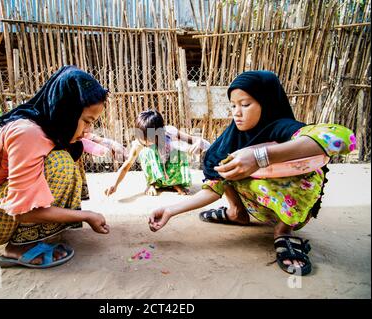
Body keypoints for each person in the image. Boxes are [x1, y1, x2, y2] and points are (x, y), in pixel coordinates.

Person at [148, 71, 356, 276]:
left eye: (245, 105)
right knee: (225, 165)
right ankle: (236, 213)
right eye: (233, 105)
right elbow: (213, 186)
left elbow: (344, 138)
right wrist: (170, 210)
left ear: (266, 102)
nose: (237, 112)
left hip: (291, 211)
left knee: (311, 172)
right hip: (253, 204)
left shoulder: (282, 127)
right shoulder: (229, 140)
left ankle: (283, 231)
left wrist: (260, 157)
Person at [0, 66, 110, 269]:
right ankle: (18, 248)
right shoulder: (28, 134)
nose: (87, 130)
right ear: (66, 111)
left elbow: (85, 140)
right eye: (86, 121)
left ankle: (46, 228)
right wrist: (87, 215)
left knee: (73, 148)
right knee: (60, 163)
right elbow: (24, 212)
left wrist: (104, 143)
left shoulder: (46, 126)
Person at [105, 109, 210, 196]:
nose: (145, 141)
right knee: (146, 151)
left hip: (170, 171)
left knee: (178, 150)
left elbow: (194, 140)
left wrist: (199, 142)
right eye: (142, 137)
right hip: (157, 175)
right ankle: (152, 183)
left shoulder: (170, 132)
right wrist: (114, 185)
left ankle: (176, 183)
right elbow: (127, 165)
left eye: (148, 138)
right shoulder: (139, 144)